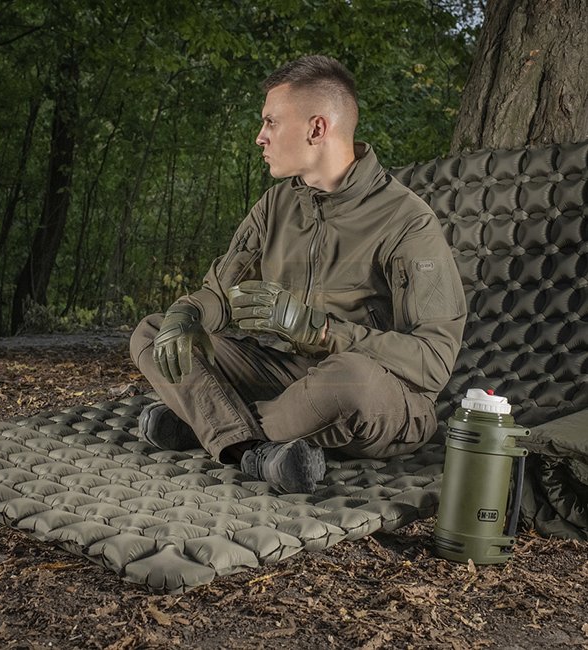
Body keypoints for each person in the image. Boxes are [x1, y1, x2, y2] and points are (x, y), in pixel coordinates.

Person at [130, 55, 466, 494]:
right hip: (286, 375)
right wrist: (189, 313)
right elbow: (221, 294)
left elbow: (433, 361)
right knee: (153, 333)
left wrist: (321, 330)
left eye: (271, 122)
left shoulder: (408, 221)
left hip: (377, 392)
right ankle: (251, 448)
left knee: (350, 380)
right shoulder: (275, 205)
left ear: (316, 129)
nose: (260, 136)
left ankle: (208, 423)